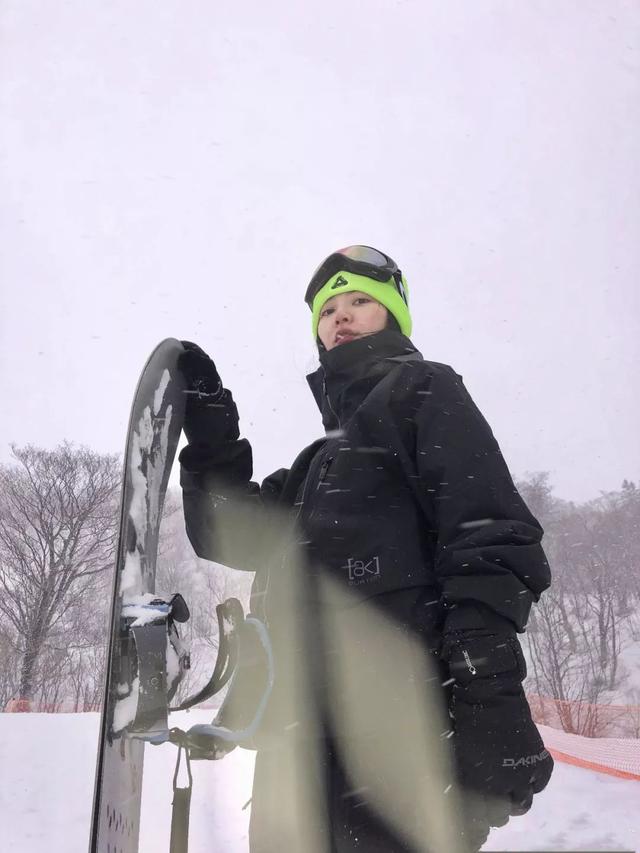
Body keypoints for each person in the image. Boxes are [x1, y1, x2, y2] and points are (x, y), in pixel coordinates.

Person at [178, 245, 554, 853]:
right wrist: (211, 435)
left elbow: (487, 536)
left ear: (394, 318)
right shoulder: (316, 463)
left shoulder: (423, 392)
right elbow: (229, 531)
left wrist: (490, 703)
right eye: (328, 310)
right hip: (298, 740)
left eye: (360, 302)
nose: (341, 317)